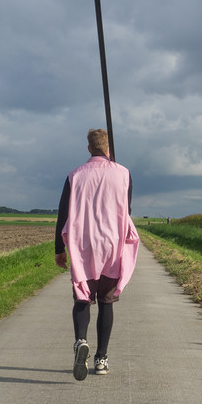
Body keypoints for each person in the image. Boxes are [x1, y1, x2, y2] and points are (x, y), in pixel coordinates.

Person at [54, 129, 139, 381]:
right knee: (106, 301)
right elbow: (128, 209)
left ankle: (81, 341)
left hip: (84, 247)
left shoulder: (75, 175)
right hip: (111, 246)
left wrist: (59, 250)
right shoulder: (124, 174)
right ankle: (101, 359)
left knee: (82, 297)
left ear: (89, 148)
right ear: (109, 149)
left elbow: (63, 215)